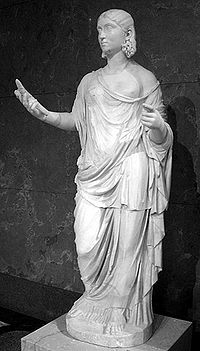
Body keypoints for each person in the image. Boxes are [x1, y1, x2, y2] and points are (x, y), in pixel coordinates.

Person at [14, 9, 173, 347]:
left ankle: (119, 308)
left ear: (126, 34)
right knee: (86, 242)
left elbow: (161, 138)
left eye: (109, 28)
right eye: (99, 29)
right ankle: (94, 297)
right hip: (93, 173)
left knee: (129, 246)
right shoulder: (89, 81)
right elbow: (75, 120)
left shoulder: (146, 80)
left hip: (132, 170)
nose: (101, 35)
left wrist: (158, 127)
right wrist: (42, 112)